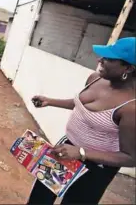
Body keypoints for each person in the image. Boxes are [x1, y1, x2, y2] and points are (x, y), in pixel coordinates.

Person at [28, 37, 136, 204]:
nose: (100, 60)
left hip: (96, 168)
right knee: (39, 199)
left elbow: (130, 157)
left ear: (128, 68)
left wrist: (82, 153)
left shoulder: (131, 107)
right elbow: (81, 104)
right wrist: (50, 101)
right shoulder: (96, 78)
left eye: (109, 59)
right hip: (65, 149)